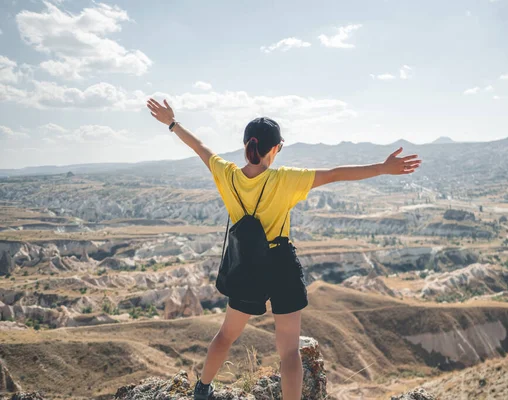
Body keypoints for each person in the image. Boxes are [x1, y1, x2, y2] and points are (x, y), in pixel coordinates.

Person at [146, 98, 421, 400]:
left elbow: (200, 147)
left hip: (246, 264)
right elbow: (335, 174)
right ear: (275, 149)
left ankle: (203, 389)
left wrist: (172, 123)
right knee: (289, 351)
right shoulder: (285, 179)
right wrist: (382, 168)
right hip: (280, 262)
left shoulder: (227, 175)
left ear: (245, 146)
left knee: (226, 335)